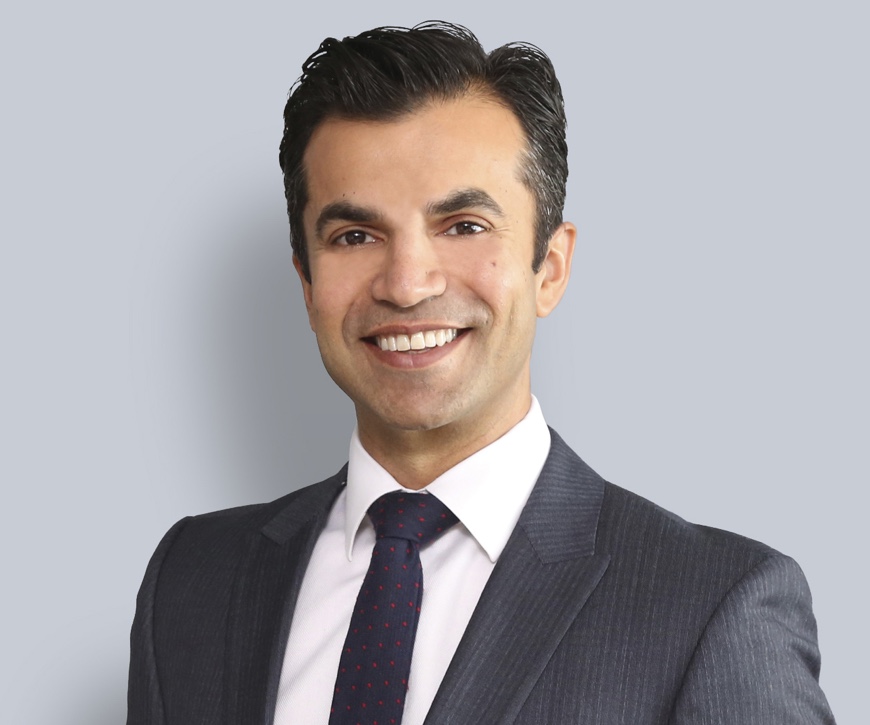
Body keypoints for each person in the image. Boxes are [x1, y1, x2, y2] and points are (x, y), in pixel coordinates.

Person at [127, 21, 835, 725]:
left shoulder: (712, 606)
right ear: (307, 285)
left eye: (463, 225)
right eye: (355, 236)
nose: (407, 284)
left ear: (549, 268)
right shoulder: (191, 581)